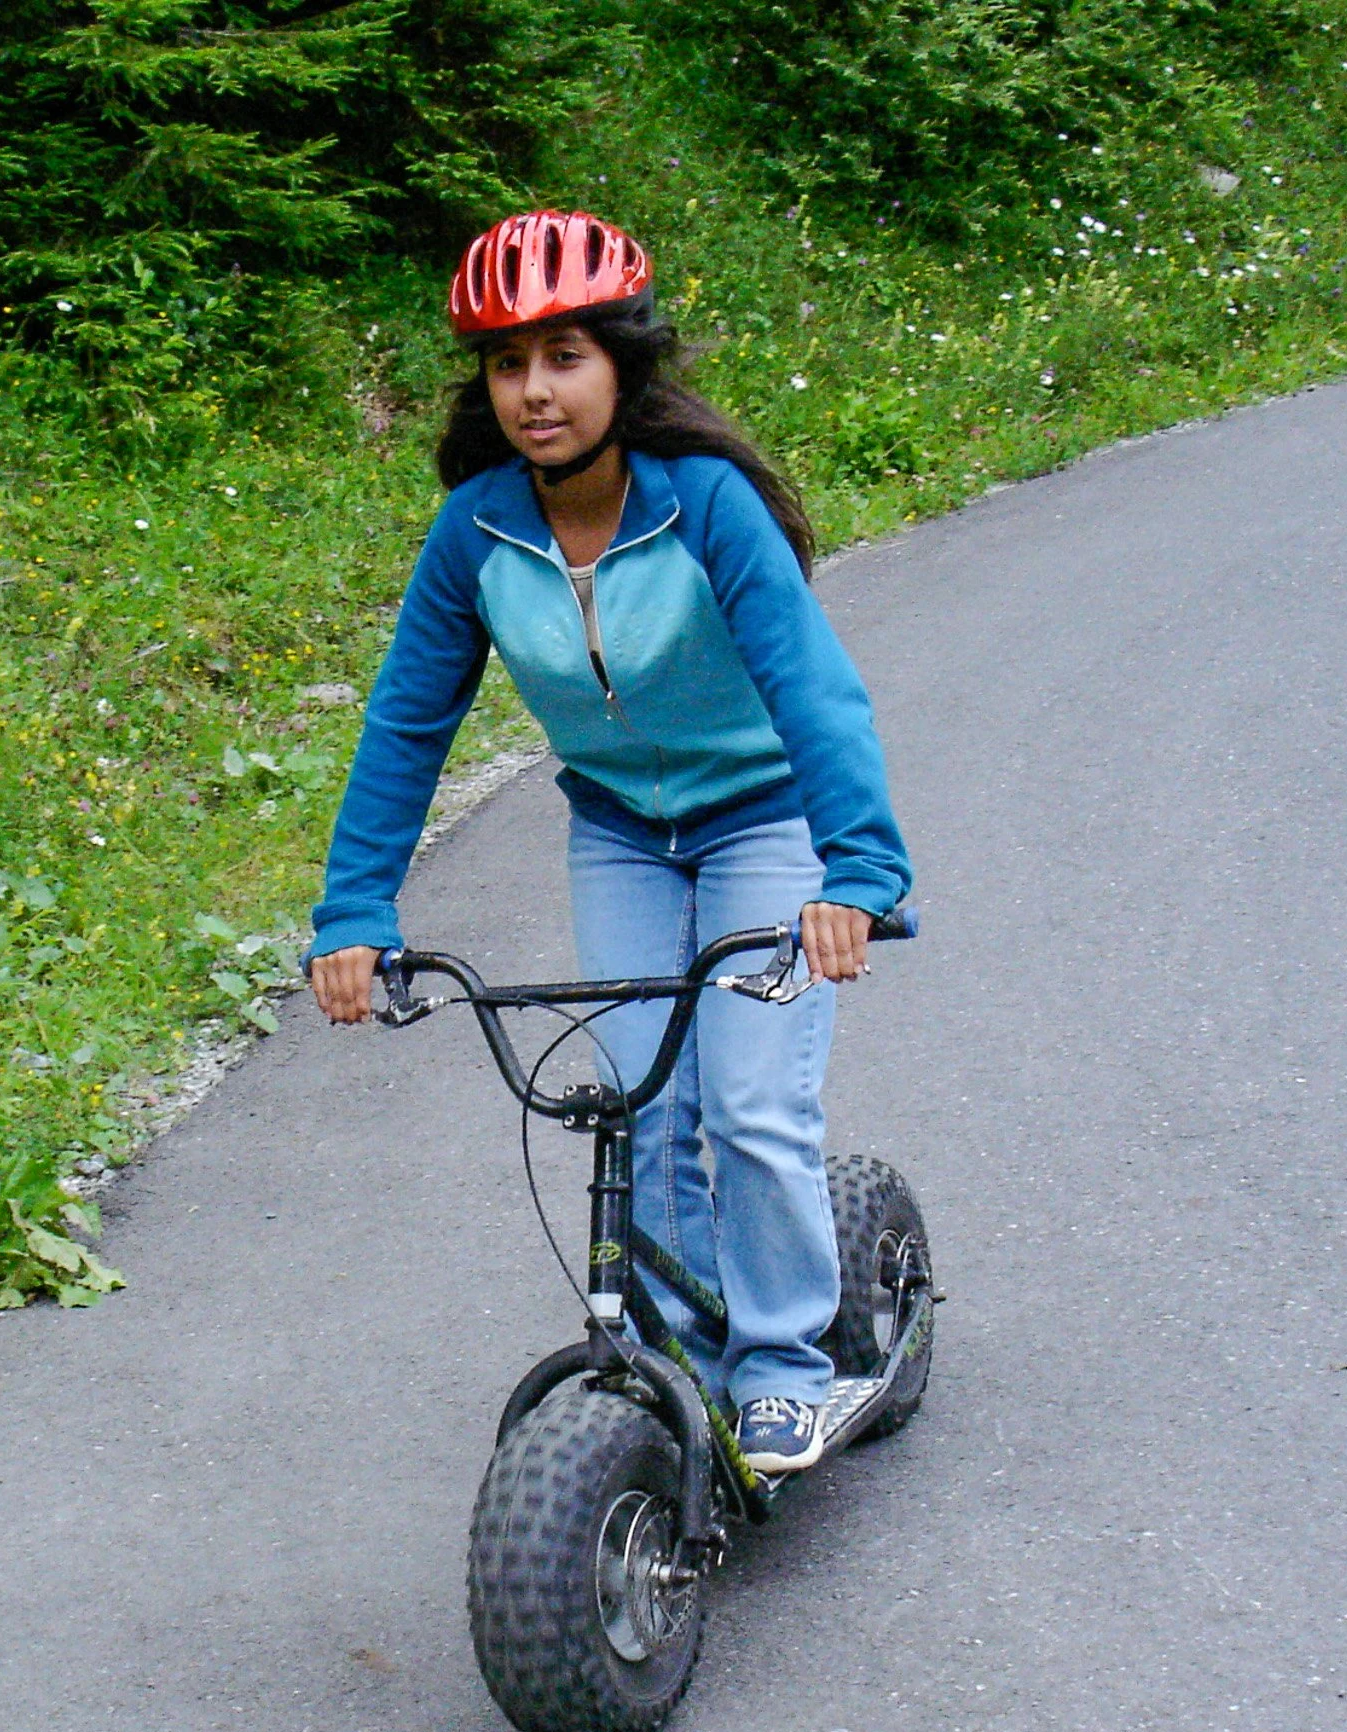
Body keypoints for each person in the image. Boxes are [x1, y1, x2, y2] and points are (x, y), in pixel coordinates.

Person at [305, 211, 912, 1475]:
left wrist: (857, 871)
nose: (535, 391)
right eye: (508, 363)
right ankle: (687, 1357)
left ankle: (787, 1366)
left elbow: (813, 690)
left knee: (749, 1103)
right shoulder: (477, 530)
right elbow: (407, 720)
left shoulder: (705, 504)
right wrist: (354, 907)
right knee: (640, 1105)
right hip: (625, 836)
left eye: (565, 356)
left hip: (767, 820)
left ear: (622, 367)